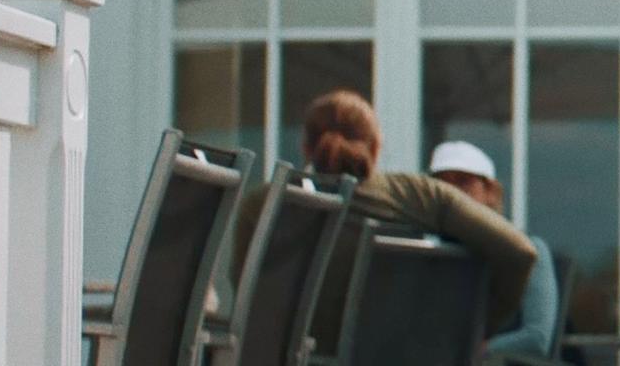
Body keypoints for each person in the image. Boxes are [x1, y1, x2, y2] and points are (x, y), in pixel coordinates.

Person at [234, 90, 539, 347]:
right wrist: (475, 330)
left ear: (306, 148)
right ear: (377, 146)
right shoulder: (419, 196)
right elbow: (521, 252)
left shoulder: (262, 205)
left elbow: (246, 296)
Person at [428, 139, 560, 357]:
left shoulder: (528, 249)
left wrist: (476, 352)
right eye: (442, 185)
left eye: (463, 182)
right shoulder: (428, 254)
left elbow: (537, 338)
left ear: (490, 191)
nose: (451, 193)